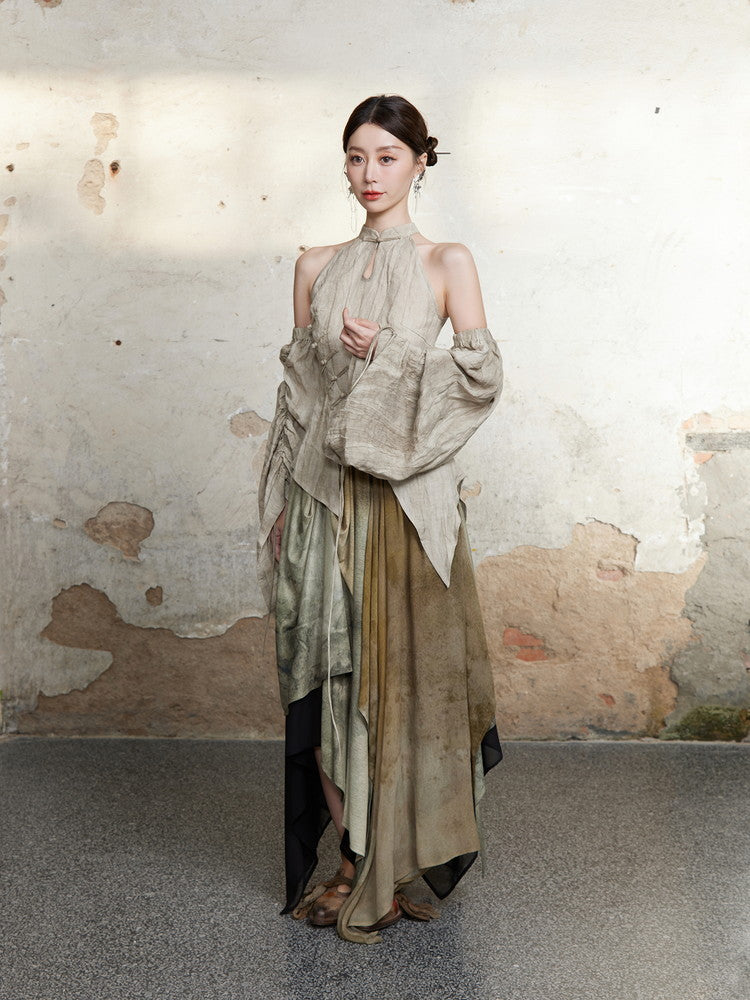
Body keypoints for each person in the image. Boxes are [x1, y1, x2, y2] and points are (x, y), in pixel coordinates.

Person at [257, 94, 503, 944]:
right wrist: (281, 504)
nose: (369, 174)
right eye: (357, 157)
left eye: (388, 157)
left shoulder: (447, 262)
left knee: (398, 684)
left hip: (402, 507)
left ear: (420, 162)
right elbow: (300, 398)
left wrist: (391, 354)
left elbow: (478, 380)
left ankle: (388, 861)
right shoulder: (314, 266)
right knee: (322, 677)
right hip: (323, 498)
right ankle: (357, 858)